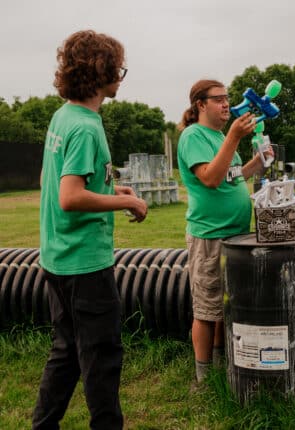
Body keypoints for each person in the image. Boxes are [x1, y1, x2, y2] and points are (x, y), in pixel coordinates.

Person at [34, 30, 148, 429]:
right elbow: (70, 196)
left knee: (66, 352)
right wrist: (128, 202)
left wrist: (111, 188)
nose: (121, 75)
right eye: (118, 68)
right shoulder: (85, 126)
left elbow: (70, 181)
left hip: (58, 258)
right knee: (101, 358)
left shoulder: (64, 116)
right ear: (101, 72)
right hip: (85, 264)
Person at [177, 79, 268, 383]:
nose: (226, 104)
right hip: (210, 235)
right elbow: (210, 179)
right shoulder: (194, 136)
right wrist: (232, 137)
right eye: (218, 99)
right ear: (200, 105)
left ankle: (218, 362)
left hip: (234, 233)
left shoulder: (218, 136)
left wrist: (257, 163)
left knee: (223, 304)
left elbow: (231, 175)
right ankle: (203, 379)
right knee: (206, 309)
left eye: (227, 98)